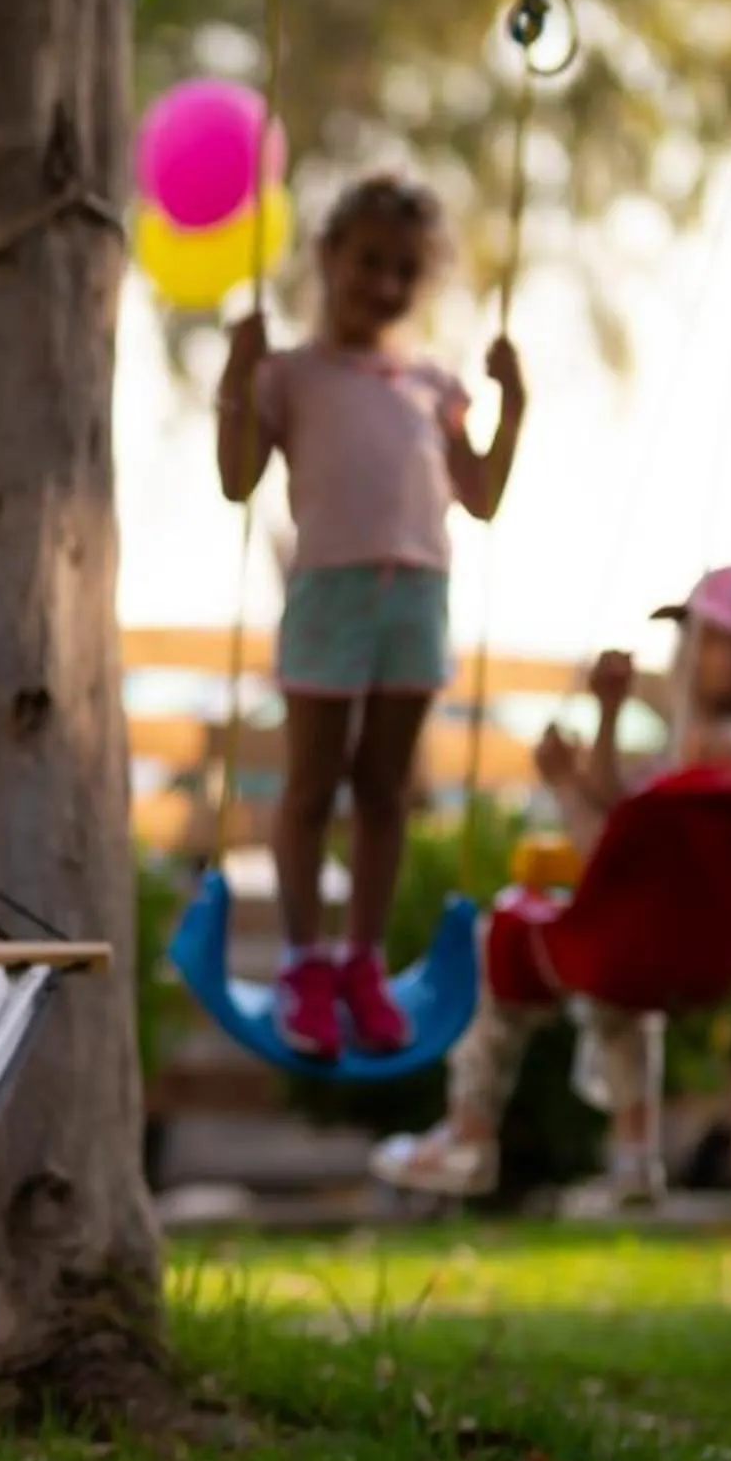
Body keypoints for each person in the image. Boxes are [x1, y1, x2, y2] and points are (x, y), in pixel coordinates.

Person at [372, 563, 731, 1212]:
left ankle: (469, 1134)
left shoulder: (714, 752)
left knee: (500, 942)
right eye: (701, 638)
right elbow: (628, 810)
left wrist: (564, 786)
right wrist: (608, 716)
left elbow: (609, 854)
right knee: (619, 1003)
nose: (703, 656)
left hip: (630, 946)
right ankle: (634, 1162)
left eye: (724, 643)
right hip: (686, 955)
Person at [218, 173, 527, 1063]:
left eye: (403, 271)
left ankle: (361, 961)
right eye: (368, 264)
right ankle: (305, 963)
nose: (384, 286)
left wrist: (515, 409)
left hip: (418, 594)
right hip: (331, 593)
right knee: (312, 788)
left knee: (387, 792)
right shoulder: (291, 375)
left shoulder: (434, 382)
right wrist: (238, 375)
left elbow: (482, 496)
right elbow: (237, 478)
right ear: (328, 258)